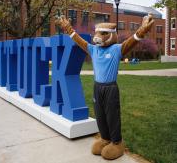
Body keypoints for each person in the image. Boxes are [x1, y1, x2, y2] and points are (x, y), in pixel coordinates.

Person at [55, 14, 154, 160]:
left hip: (110, 88)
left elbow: (131, 42)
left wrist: (141, 31)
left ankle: (117, 142)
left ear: (111, 35)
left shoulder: (116, 49)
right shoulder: (93, 50)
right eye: (97, 33)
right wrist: (68, 29)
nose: (97, 36)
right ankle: (105, 138)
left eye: (103, 34)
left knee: (112, 115)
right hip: (97, 87)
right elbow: (80, 42)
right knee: (100, 115)